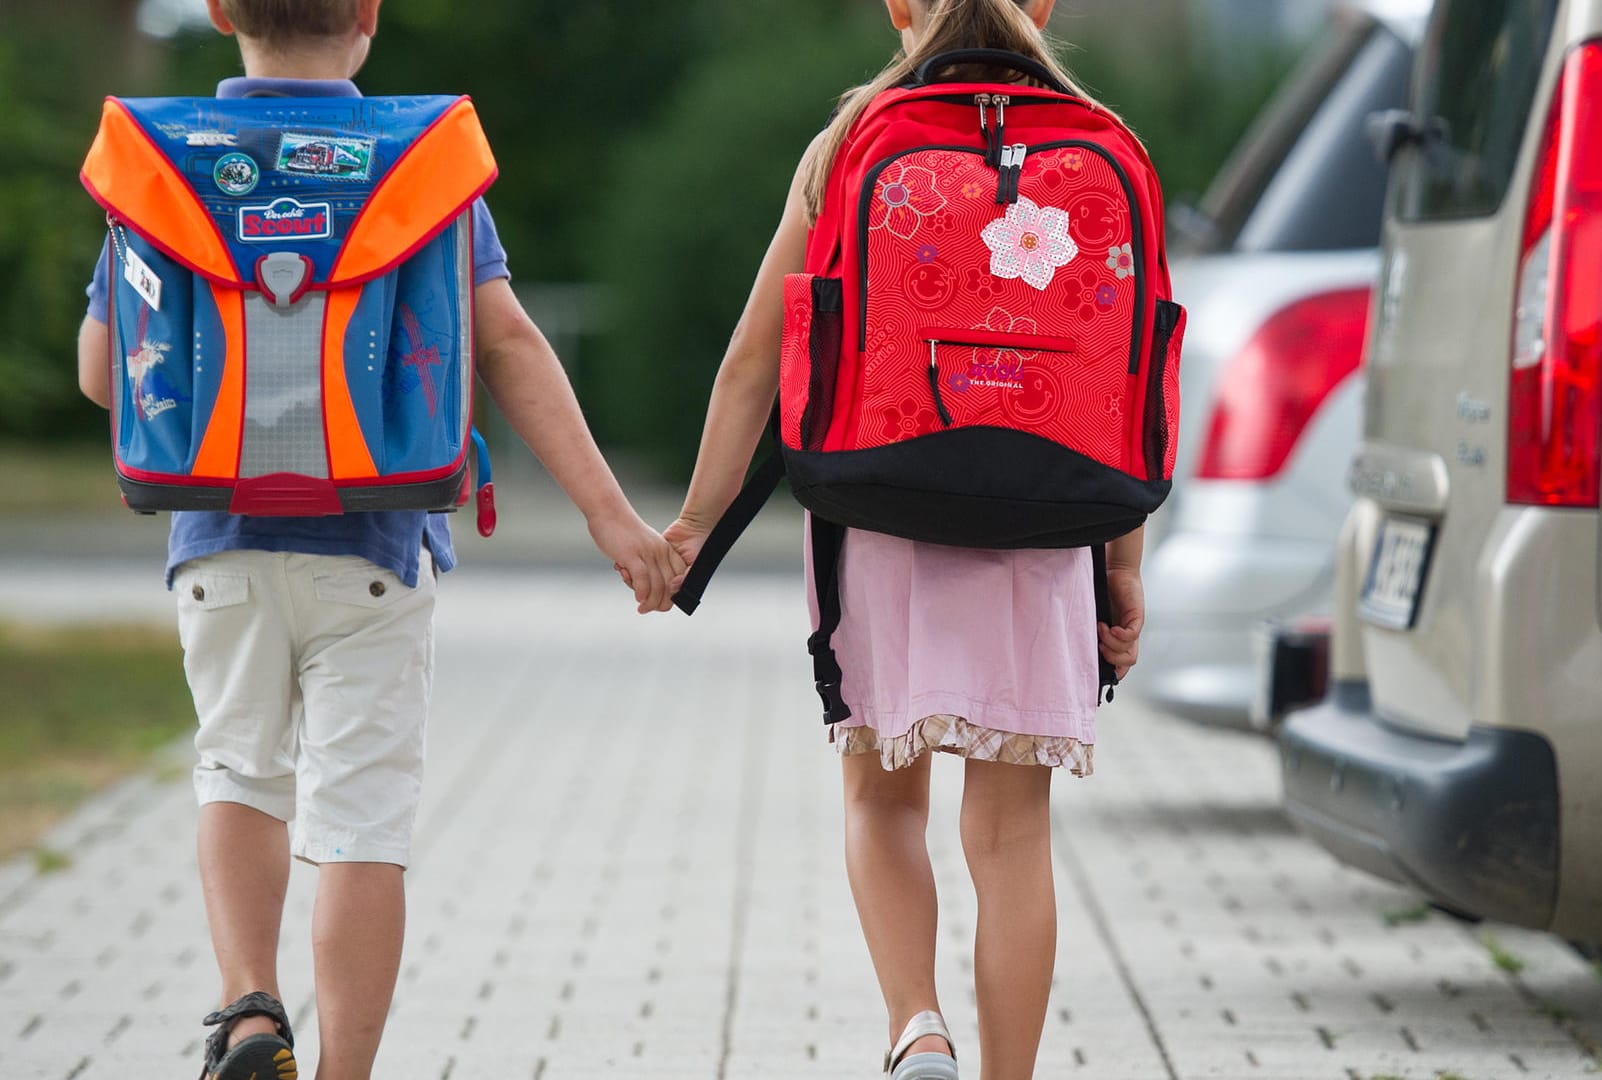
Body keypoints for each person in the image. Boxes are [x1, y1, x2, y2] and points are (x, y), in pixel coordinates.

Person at [73, 2, 685, 1076]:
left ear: (219, 13)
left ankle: (249, 1010)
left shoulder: (162, 164)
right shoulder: (414, 164)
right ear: (367, 14)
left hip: (218, 542)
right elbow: (508, 344)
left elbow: (97, 370)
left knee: (236, 774)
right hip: (374, 548)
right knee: (363, 818)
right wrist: (612, 519)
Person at [663, 2, 1147, 1077]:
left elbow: (755, 358)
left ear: (897, 4)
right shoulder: (1099, 137)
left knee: (883, 795)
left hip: (881, 508)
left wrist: (695, 525)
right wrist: (1123, 570)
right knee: (1013, 832)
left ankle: (915, 1025)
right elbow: (1130, 379)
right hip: (1049, 514)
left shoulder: (850, 141)